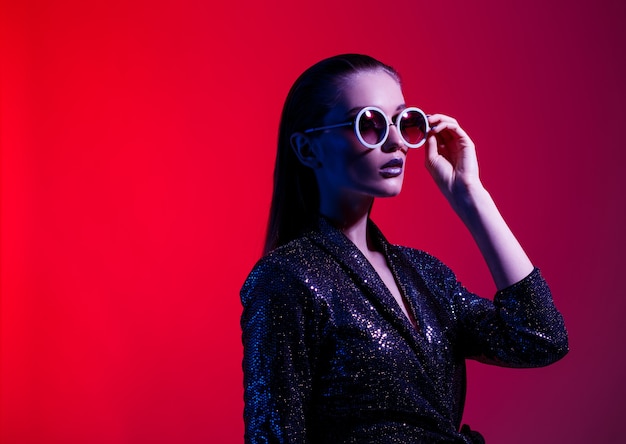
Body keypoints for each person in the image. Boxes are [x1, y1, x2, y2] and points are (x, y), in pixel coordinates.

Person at [240, 54, 568, 444]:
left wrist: (473, 199)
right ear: (308, 150)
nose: (397, 141)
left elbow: (540, 337)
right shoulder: (288, 278)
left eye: (402, 120)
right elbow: (274, 437)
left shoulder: (426, 275)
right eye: (370, 124)